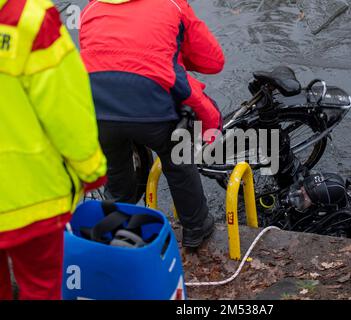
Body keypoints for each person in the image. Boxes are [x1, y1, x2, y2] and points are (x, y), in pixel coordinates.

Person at [79, 0, 225, 248]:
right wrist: (173, 55)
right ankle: (196, 229)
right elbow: (213, 61)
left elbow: (99, 57)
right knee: (177, 160)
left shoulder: (92, 8)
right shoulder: (173, 5)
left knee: (116, 170)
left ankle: (113, 233)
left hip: (95, 107)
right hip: (152, 110)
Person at [0, 0, 107, 300]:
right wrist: (92, 169)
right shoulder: (29, 19)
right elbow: (66, 109)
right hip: (31, 198)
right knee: (40, 288)